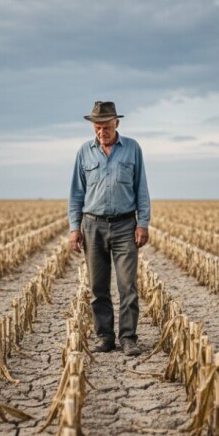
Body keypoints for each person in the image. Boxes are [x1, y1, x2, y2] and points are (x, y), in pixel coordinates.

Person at [68, 101, 151, 356]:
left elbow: (141, 189)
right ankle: (105, 337)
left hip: (126, 225)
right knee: (98, 287)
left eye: (106, 125)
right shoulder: (84, 152)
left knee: (128, 286)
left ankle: (128, 338)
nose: (101, 131)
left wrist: (142, 223)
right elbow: (76, 195)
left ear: (117, 123)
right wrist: (74, 228)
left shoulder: (132, 149)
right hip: (92, 226)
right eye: (97, 126)